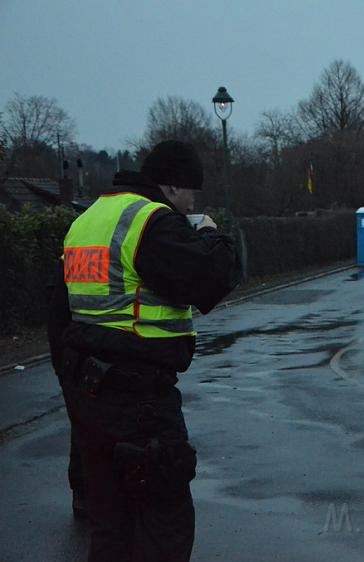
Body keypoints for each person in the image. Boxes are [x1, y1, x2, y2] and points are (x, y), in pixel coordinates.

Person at [48, 140, 241, 562]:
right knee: (162, 527)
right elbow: (214, 276)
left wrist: (72, 388)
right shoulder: (151, 221)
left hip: (89, 397)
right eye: (192, 194)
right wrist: (208, 231)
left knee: (111, 529)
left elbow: (59, 317)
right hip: (140, 404)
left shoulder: (88, 220)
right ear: (172, 188)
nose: (191, 203)